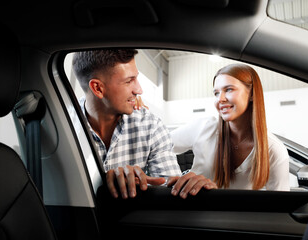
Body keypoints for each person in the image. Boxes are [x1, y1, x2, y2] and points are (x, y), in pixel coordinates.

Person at [72, 49, 216, 199]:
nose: (139, 90)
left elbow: (169, 188)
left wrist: (187, 184)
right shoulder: (63, 127)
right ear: (98, 88)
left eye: (136, 78)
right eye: (129, 81)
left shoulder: (151, 127)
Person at [171, 63, 290, 191]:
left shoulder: (274, 150)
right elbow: (155, 147)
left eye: (228, 90)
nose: (220, 99)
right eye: (216, 93)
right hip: (193, 210)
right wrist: (171, 176)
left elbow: (278, 206)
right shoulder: (203, 127)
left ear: (251, 94)